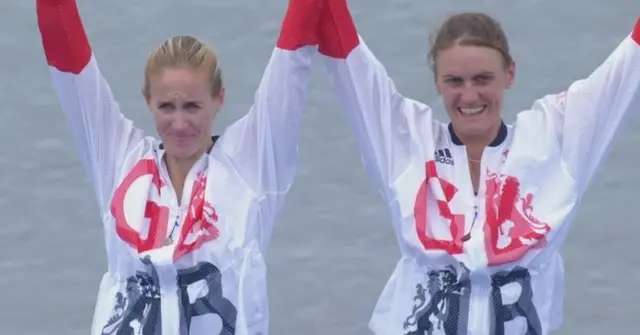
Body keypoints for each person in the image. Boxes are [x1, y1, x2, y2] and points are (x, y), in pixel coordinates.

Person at [314, 1, 640, 334]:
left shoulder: (554, 143)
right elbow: (347, 59)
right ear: (437, 82)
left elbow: (629, 65)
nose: (469, 97)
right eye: (454, 81)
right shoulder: (407, 142)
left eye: (483, 78)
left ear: (509, 73)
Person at [36, 0, 321, 333]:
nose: (180, 123)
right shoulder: (119, 160)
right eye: (167, 107)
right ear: (148, 102)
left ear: (219, 99)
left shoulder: (251, 166)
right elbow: (68, 61)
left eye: (193, 106)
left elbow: (293, 57)